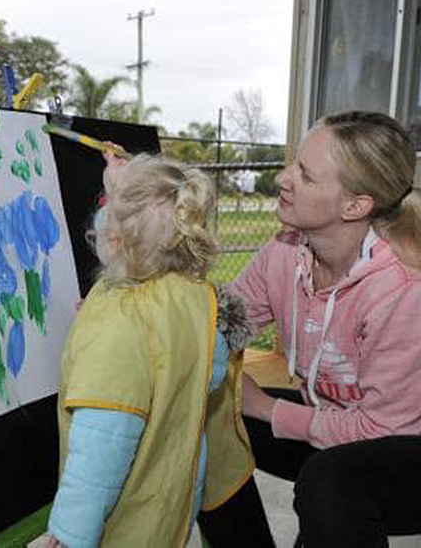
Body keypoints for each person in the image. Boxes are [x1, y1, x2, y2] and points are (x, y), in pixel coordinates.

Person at [197, 110, 421, 547]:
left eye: (306, 175)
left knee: (329, 483)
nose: (283, 178)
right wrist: (144, 312)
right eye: (294, 163)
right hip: (336, 417)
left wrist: (267, 409)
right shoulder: (282, 254)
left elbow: (383, 430)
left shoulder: (408, 288)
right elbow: (221, 329)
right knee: (205, 420)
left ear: (355, 206)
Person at [46, 150, 269, 547]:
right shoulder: (195, 298)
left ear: (113, 239)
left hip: (126, 524)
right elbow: (202, 369)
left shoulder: (120, 324)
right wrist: (121, 184)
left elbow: (102, 449)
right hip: (170, 507)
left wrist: (69, 535)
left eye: (106, 208)